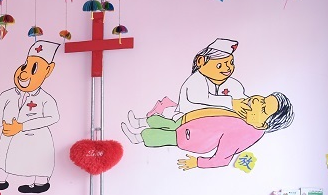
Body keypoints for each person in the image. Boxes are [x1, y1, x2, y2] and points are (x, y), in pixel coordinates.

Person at [0, 40, 61, 193]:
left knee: (38, 162)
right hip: (10, 138)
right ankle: (0, 181)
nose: (24, 74)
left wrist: (23, 126)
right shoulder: (6, 96)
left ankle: (40, 184)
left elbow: (53, 117)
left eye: (34, 69)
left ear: (48, 70)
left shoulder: (46, 99)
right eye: (25, 66)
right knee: (3, 160)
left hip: (36, 140)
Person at [121, 93, 294, 170]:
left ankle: (138, 137)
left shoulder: (244, 133)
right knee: (167, 123)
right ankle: (139, 122)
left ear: (264, 124)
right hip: (193, 120)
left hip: (194, 136)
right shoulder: (246, 114)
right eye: (263, 99)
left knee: (165, 135)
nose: (257, 101)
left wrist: (197, 163)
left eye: (263, 108)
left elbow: (222, 159)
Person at [172, 38, 249, 119]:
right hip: (190, 119)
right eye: (219, 65)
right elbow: (200, 98)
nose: (228, 68)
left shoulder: (234, 83)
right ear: (200, 61)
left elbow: (241, 98)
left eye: (231, 63)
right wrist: (231, 103)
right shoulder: (196, 80)